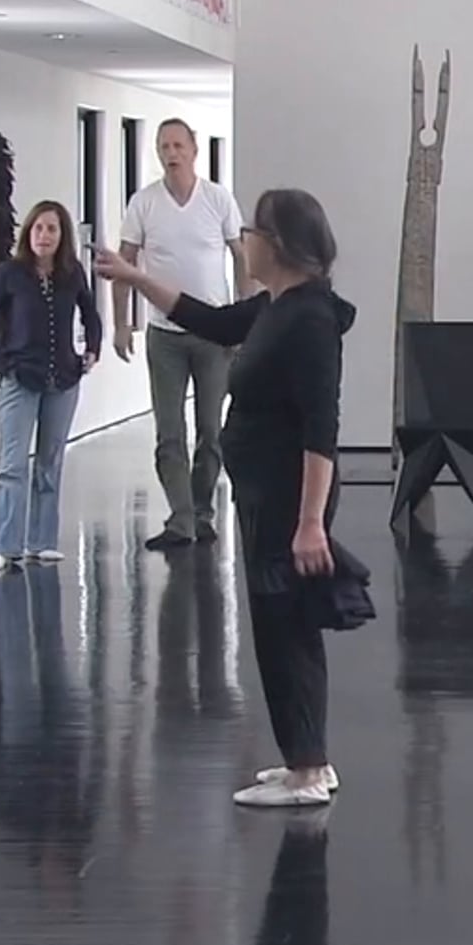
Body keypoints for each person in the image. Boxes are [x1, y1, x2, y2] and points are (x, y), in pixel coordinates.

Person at [94, 188, 353, 807]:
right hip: (267, 496)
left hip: (289, 499)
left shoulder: (310, 320)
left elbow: (322, 426)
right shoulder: (273, 306)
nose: (245, 241)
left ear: (281, 245)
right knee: (278, 627)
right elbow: (207, 320)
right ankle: (306, 758)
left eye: (254, 232)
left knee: (287, 629)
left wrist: (310, 522)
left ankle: (308, 772)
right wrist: (135, 277)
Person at [113, 118, 241, 551]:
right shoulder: (144, 203)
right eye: (164, 146)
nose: (171, 154)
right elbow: (124, 264)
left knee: (211, 429)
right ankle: (181, 519)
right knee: (169, 432)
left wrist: (244, 318)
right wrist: (121, 323)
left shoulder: (217, 199)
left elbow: (241, 256)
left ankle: (201, 512)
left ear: (193, 150)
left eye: (178, 146)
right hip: (164, 334)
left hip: (213, 333)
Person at [0, 200, 101, 572]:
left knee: (50, 462)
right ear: (28, 232)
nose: (44, 235)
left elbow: (90, 313)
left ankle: (42, 541)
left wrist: (91, 349)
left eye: (52, 229)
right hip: (20, 377)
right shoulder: (10, 274)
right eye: (39, 228)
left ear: (62, 235)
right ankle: (4, 544)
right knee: (12, 464)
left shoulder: (72, 274)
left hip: (63, 379)